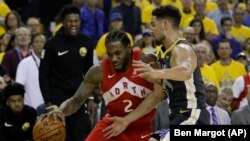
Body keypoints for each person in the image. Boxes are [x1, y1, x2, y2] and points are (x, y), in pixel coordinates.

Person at [40, 30, 164, 141]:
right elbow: (76, 101)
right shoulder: (98, 71)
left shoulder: (147, 62)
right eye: (110, 54)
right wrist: (61, 110)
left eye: (117, 53)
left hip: (140, 127)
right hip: (111, 125)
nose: (114, 59)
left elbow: (159, 95)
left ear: (128, 48)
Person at [132, 5, 210, 140]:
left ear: (164, 25)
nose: (151, 30)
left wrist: (158, 74)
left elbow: (186, 71)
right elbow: (157, 96)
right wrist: (126, 120)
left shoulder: (182, 48)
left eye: (153, 24)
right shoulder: (162, 54)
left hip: (193, 116)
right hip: (177, 117)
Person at [39, 4, 94, 141]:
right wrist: (48, 103)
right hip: (57, 103)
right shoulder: (51, 44)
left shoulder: (86, 42)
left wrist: (91, 98)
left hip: (78, 101)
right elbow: (43, 75)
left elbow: (90, 73)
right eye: (70, 21)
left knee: (81, 137)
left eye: (76, 21)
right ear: (63, 22)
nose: (73, 24)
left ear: (80, 22)